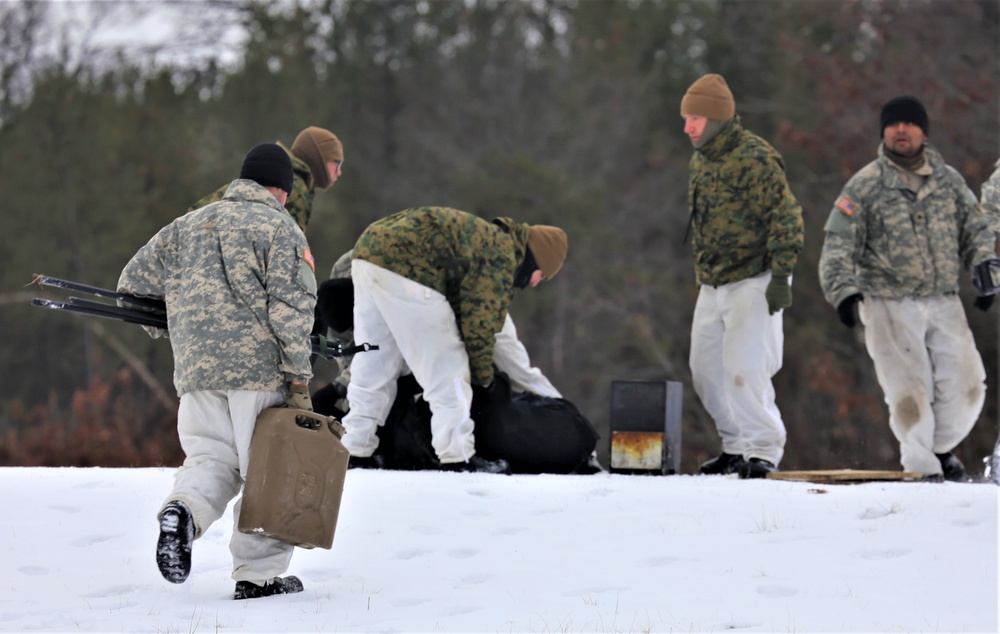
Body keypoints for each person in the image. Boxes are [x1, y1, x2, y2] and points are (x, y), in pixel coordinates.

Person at [118, 144, 318, 598]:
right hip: (259, 372)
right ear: (282, 189)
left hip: (195, 373)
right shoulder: (281, 228)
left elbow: (132, 285)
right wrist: (299, 377)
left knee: (211, 459)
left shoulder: (184, 226)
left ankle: (183, 512)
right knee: (268, 471)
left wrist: (175, 329)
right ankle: (257, 575)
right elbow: (292, 310)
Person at [819, 95, 994, 482]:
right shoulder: (864, 185)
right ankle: (923, 473)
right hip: (887, 303)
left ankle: (938, 450)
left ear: (923, 132)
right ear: (883, 131)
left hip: (943, 300)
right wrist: (843, 291)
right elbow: (837, 244)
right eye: (894, 123)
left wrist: (985, 268)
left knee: (968, 387)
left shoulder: (949, 181)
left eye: (910, 123)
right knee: (909, 394)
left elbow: (976, 230)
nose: (902, 130)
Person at [314, 248, 603, 474]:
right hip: (407, 357)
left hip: (453, 375)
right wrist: (340, 389)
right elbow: (363, 364)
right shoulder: (349, 274)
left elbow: (521, 373)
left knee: (449, 389)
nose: (356, 332)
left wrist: (577, 434)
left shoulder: (463, 301)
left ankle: (456, 454)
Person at [340, 207, 568, 473]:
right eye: (543, 275)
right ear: (537, 260)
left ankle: (355, 448)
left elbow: (466, 309)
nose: (537, 283)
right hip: (410, 270)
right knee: (448, 371)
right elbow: (479, 330)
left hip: (368, 253)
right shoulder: (501, 255)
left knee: (374, 362)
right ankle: (457, 455)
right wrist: (485, 382)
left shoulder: (486, 239)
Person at [680, 74, 804, 479]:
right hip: (712, 282)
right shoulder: (701, 158)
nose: (688, 128)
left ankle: (763, 449)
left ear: (715, 118)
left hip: (754, 278)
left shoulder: (755, 158)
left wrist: (782, 276)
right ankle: (735, 446)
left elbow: (787, 218)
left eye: (694, 118)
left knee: (744, 368)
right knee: (704, 369)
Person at [189, 126, 344, 232]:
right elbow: (288, 252)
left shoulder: (276, 171)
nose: (339, 172)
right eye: (337, 163)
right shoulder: (292, 188)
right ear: (318, 157)